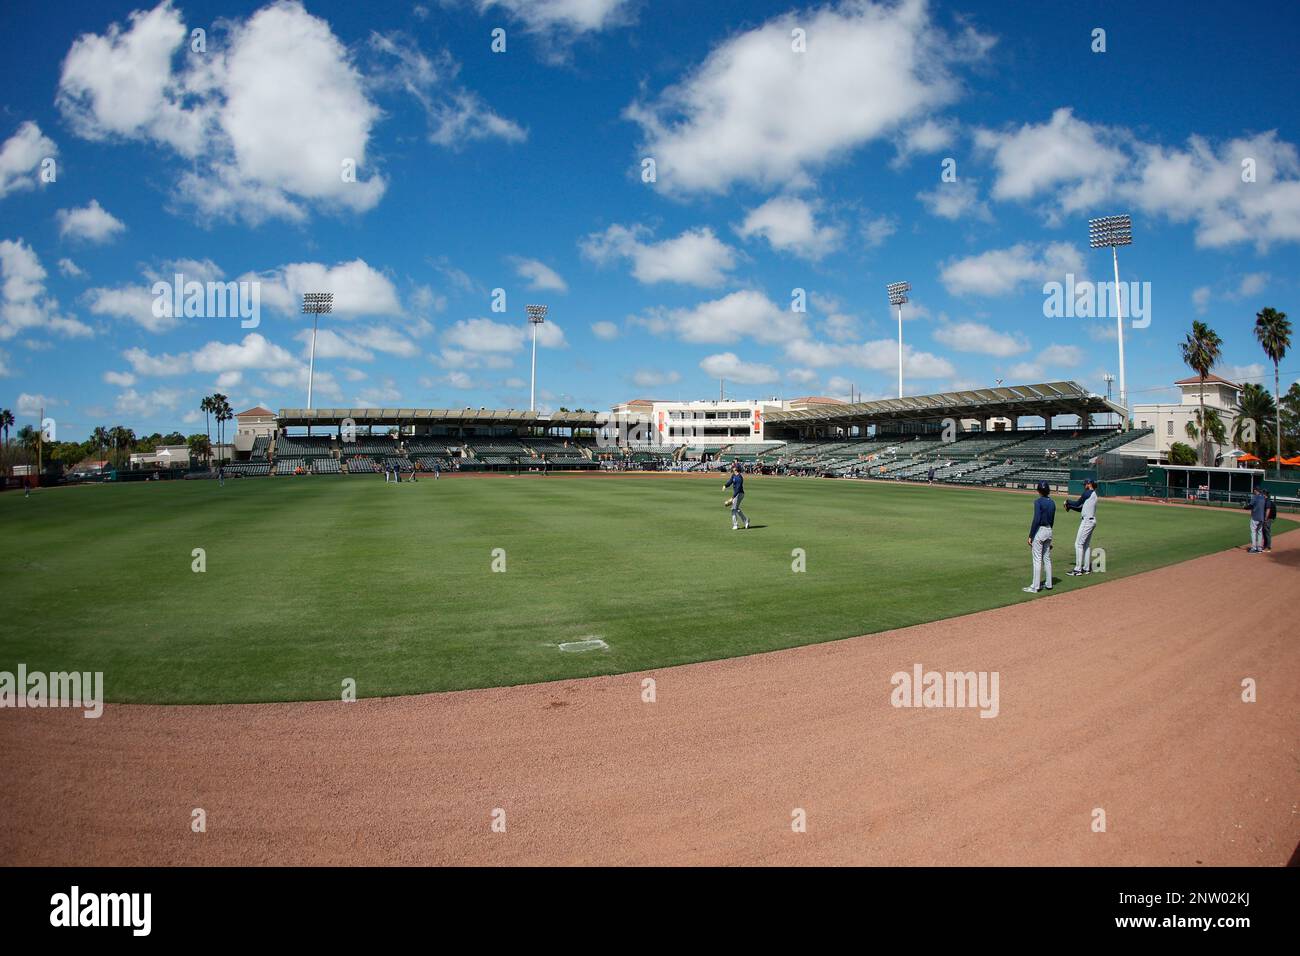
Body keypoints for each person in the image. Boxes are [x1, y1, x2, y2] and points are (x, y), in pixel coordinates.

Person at [1024, 480, 1055, 593]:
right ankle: (1049, 584)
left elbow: (1036, 519)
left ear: (1038, 490)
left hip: (1040, 531)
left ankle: (1035, 587)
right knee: (1047, 558)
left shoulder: (1038, 502)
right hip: (1049, 530)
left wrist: (1031, 535)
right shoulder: (1052, 502)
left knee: (1037, 559)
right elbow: (1052, 520)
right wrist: (1049, 534)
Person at [1065, 478, 1099, 576]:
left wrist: (1067, 501)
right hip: (1091, 521)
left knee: (1078, 544)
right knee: (1086, 545)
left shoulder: (1087, 493)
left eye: (1085, 484)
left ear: (1089, 484)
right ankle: (1086, 568)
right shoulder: (1094, 494)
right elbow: (1080, 509)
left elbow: (1077, 503)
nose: (1084, 486)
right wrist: (1070, 507)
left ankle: (1078, 570)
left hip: (1087, 522)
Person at [724, 462, 750, 531]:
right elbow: (730, 481)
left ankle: (735, 525)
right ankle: (746, 520)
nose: (732, 467)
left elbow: (738, 489)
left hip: (739, 494)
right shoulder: (734, 475)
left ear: (736, 469)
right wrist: (725, 485)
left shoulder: (739, 478)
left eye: (734, 467)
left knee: (733, 509)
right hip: (737, 494)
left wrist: (732, 498)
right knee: (736, 509)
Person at [1243, 485, 1266, 553]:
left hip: (1255, 517)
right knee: (1259, 532)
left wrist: (1244, 507)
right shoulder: (1263, 497)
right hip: (1261, 517)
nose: (1253, 491)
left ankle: (1253, 548)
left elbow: (1250, 506)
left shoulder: (1255, 497)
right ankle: (1259, 548)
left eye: (1254, 490)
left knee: (1253, 532)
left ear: (1256, 490)